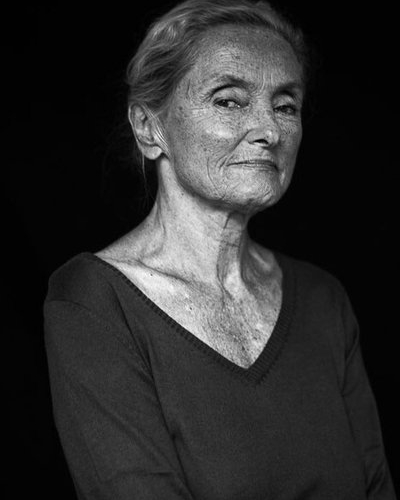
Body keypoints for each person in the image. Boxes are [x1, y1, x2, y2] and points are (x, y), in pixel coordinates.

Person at [43, 0, 396, 498]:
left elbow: (377, 486)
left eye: (286, 106)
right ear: (148, 128)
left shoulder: (323, 299)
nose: (269, 131)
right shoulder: (94, 302)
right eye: (229, 101)